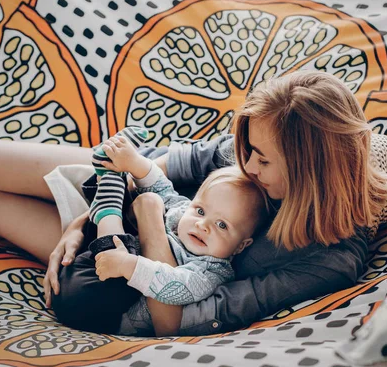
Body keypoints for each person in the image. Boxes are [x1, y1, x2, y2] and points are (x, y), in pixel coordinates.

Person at [0, 71, 387, 337]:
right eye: (246, 151)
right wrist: (89, 218)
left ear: (311, 171)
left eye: (262, 160)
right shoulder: (259, 144)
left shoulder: (326, 260)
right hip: (111, 203)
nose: (247, 167)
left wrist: (146, 231)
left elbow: (178, 321)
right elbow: (152, 168)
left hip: (124, 277)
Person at [55, 126, 268, 335]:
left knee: (102, 285)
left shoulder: (212, 271)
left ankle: (107, 201)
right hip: (97, 258)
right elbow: (161, 188)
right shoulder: (182, 214)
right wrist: (136, 164)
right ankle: (110, 174)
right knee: (137, 203)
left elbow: (175, 286)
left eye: (222, 225)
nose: (202, 225)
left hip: (107, 311)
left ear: (241, 245)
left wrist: (129, 265)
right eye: (201, 210)